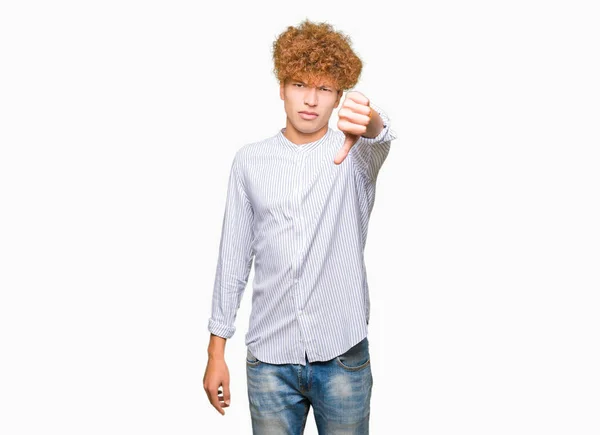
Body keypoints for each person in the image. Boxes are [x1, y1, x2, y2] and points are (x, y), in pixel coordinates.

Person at [203, 18, 397, 434]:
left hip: (342, 357)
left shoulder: (356, 156)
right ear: (281, 88)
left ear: (338, 96)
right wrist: (216, 352)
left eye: (324, 88)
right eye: (299, 84)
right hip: (270, 362)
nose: (310, 99)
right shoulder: (249, 161)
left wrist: (371, 120)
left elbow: (381, 136)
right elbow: (233, 257)